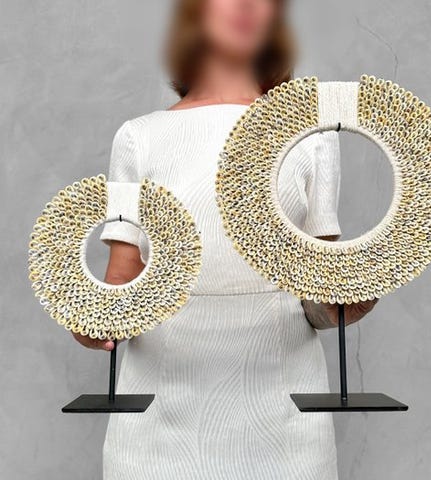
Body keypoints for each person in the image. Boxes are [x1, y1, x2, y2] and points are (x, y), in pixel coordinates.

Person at [73, 0, 377, 478]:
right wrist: (91, 321)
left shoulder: (314, 137)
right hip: (159, 426)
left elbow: (318, 301)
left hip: (284, 424)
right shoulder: (139, 138)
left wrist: (349, 302)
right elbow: (119, 293)